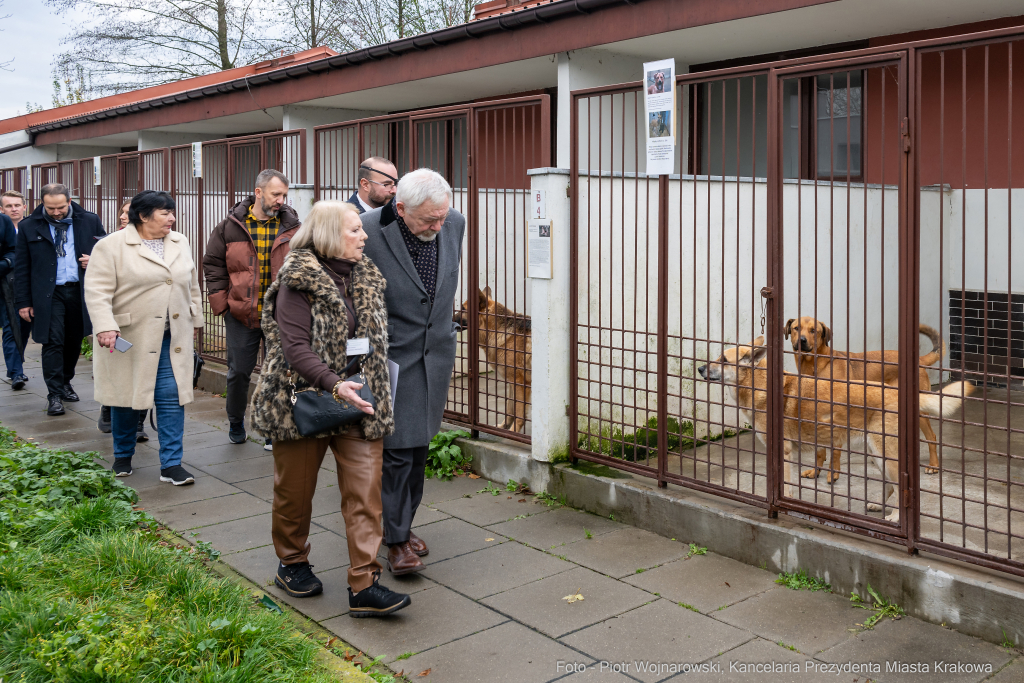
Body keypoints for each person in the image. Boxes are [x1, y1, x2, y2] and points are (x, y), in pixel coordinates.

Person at [249, 200, 409, 617]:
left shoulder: (367, 276)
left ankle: (365, 584)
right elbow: (295, 350)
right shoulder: (296, 281)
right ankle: (293, 562)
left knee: (364, 495)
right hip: (306, 401)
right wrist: (337, 386)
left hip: (360, 401)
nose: (364, 236)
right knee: (294, 493)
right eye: (355, 230)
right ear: (329, 235)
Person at [361, 168, 465, 575]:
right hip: (391, 356)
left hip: (435, 353)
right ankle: (398, 541)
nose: (438, 227)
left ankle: (398, 525)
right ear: (399, 208)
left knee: (419, 445)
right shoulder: (369, 229)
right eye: (428, 220)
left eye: (442, 217)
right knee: (399, 451)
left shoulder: (452, 222)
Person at [84, 191, 203, 485]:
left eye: (172, 213)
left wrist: (196, 317)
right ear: (143, 216)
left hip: (170, 338)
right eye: (165, 213)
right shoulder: (111, 246)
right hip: (129, 336)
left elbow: (192, 283)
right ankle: (122, 457)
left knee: (171, 397)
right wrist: (105, 326)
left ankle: (172, 464)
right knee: (126, 397)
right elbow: (97, 291)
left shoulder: (180, 241)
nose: (172, 219)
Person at [203, 169, 300, 450]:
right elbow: (213, 264)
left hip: (280, 316)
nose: (281, 200)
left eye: (284, 194)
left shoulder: (293, 227)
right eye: (275, 194)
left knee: (278, 373)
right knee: (238, 373)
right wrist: (221, 303)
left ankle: (272, 426)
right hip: (241, 315)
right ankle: (236, 421)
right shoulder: (229, 226)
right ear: (258, 192)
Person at [14, 183, 106, 416]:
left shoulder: (89, 220)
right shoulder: (28, 226)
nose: (56, 213)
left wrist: (94, 259)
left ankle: (65, 381)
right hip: (48, 294)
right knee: (53, 341)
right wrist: (23, 302)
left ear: (69, 201)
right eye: (51, 208)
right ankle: (54, 394)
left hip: (80, 291)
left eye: (61, 208)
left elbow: (106, 253)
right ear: (42, 203)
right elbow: (22, 267)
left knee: (74, 340)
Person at [96, 200, 149, 442]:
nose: (125, 217)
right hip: (119, 321)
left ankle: (139, 423)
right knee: (120, 375)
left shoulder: (155, 244)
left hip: (148, 319)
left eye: (130, 213)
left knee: (146, 374)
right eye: (123, 213)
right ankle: (109, 407)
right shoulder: (109, 244)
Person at [2, 191, 31, 391]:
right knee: (10, 327)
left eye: (17, 205)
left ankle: (15, 365)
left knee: (25, 328)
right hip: (6, 287)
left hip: (29, 287)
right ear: (2, 209)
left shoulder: (31, 228)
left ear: (24, 207)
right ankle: (16, 371)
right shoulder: (3, 226)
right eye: (9, 206)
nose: (14, 209)